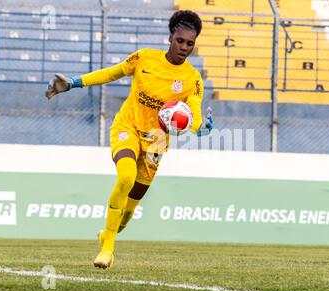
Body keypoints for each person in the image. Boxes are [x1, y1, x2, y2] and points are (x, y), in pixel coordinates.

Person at [45, 10, 213, 269]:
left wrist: (200, 128)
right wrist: (74, 83)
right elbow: (113, 73)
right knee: (125, 176)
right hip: (128, 126)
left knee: (128, 212)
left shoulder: (192, 80)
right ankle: (107, 250)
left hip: (156, 142)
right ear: (170, 37)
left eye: (190, 43)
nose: (184, 47)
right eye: (180, 40)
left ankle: (108, 234)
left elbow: (195, 115)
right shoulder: (144, 58)